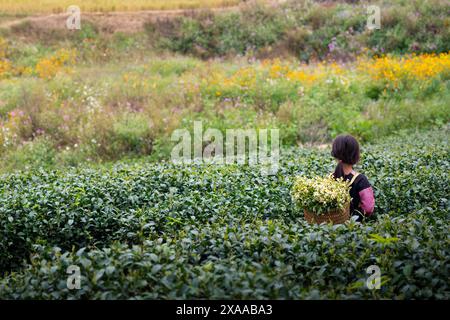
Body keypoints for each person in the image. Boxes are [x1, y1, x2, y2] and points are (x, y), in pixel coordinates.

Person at [331, 134, 375, 221]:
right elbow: (368, 208)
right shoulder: (361, 180)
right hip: (353, 227)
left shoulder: (330, 177)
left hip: (331, 225)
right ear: (356, 155)